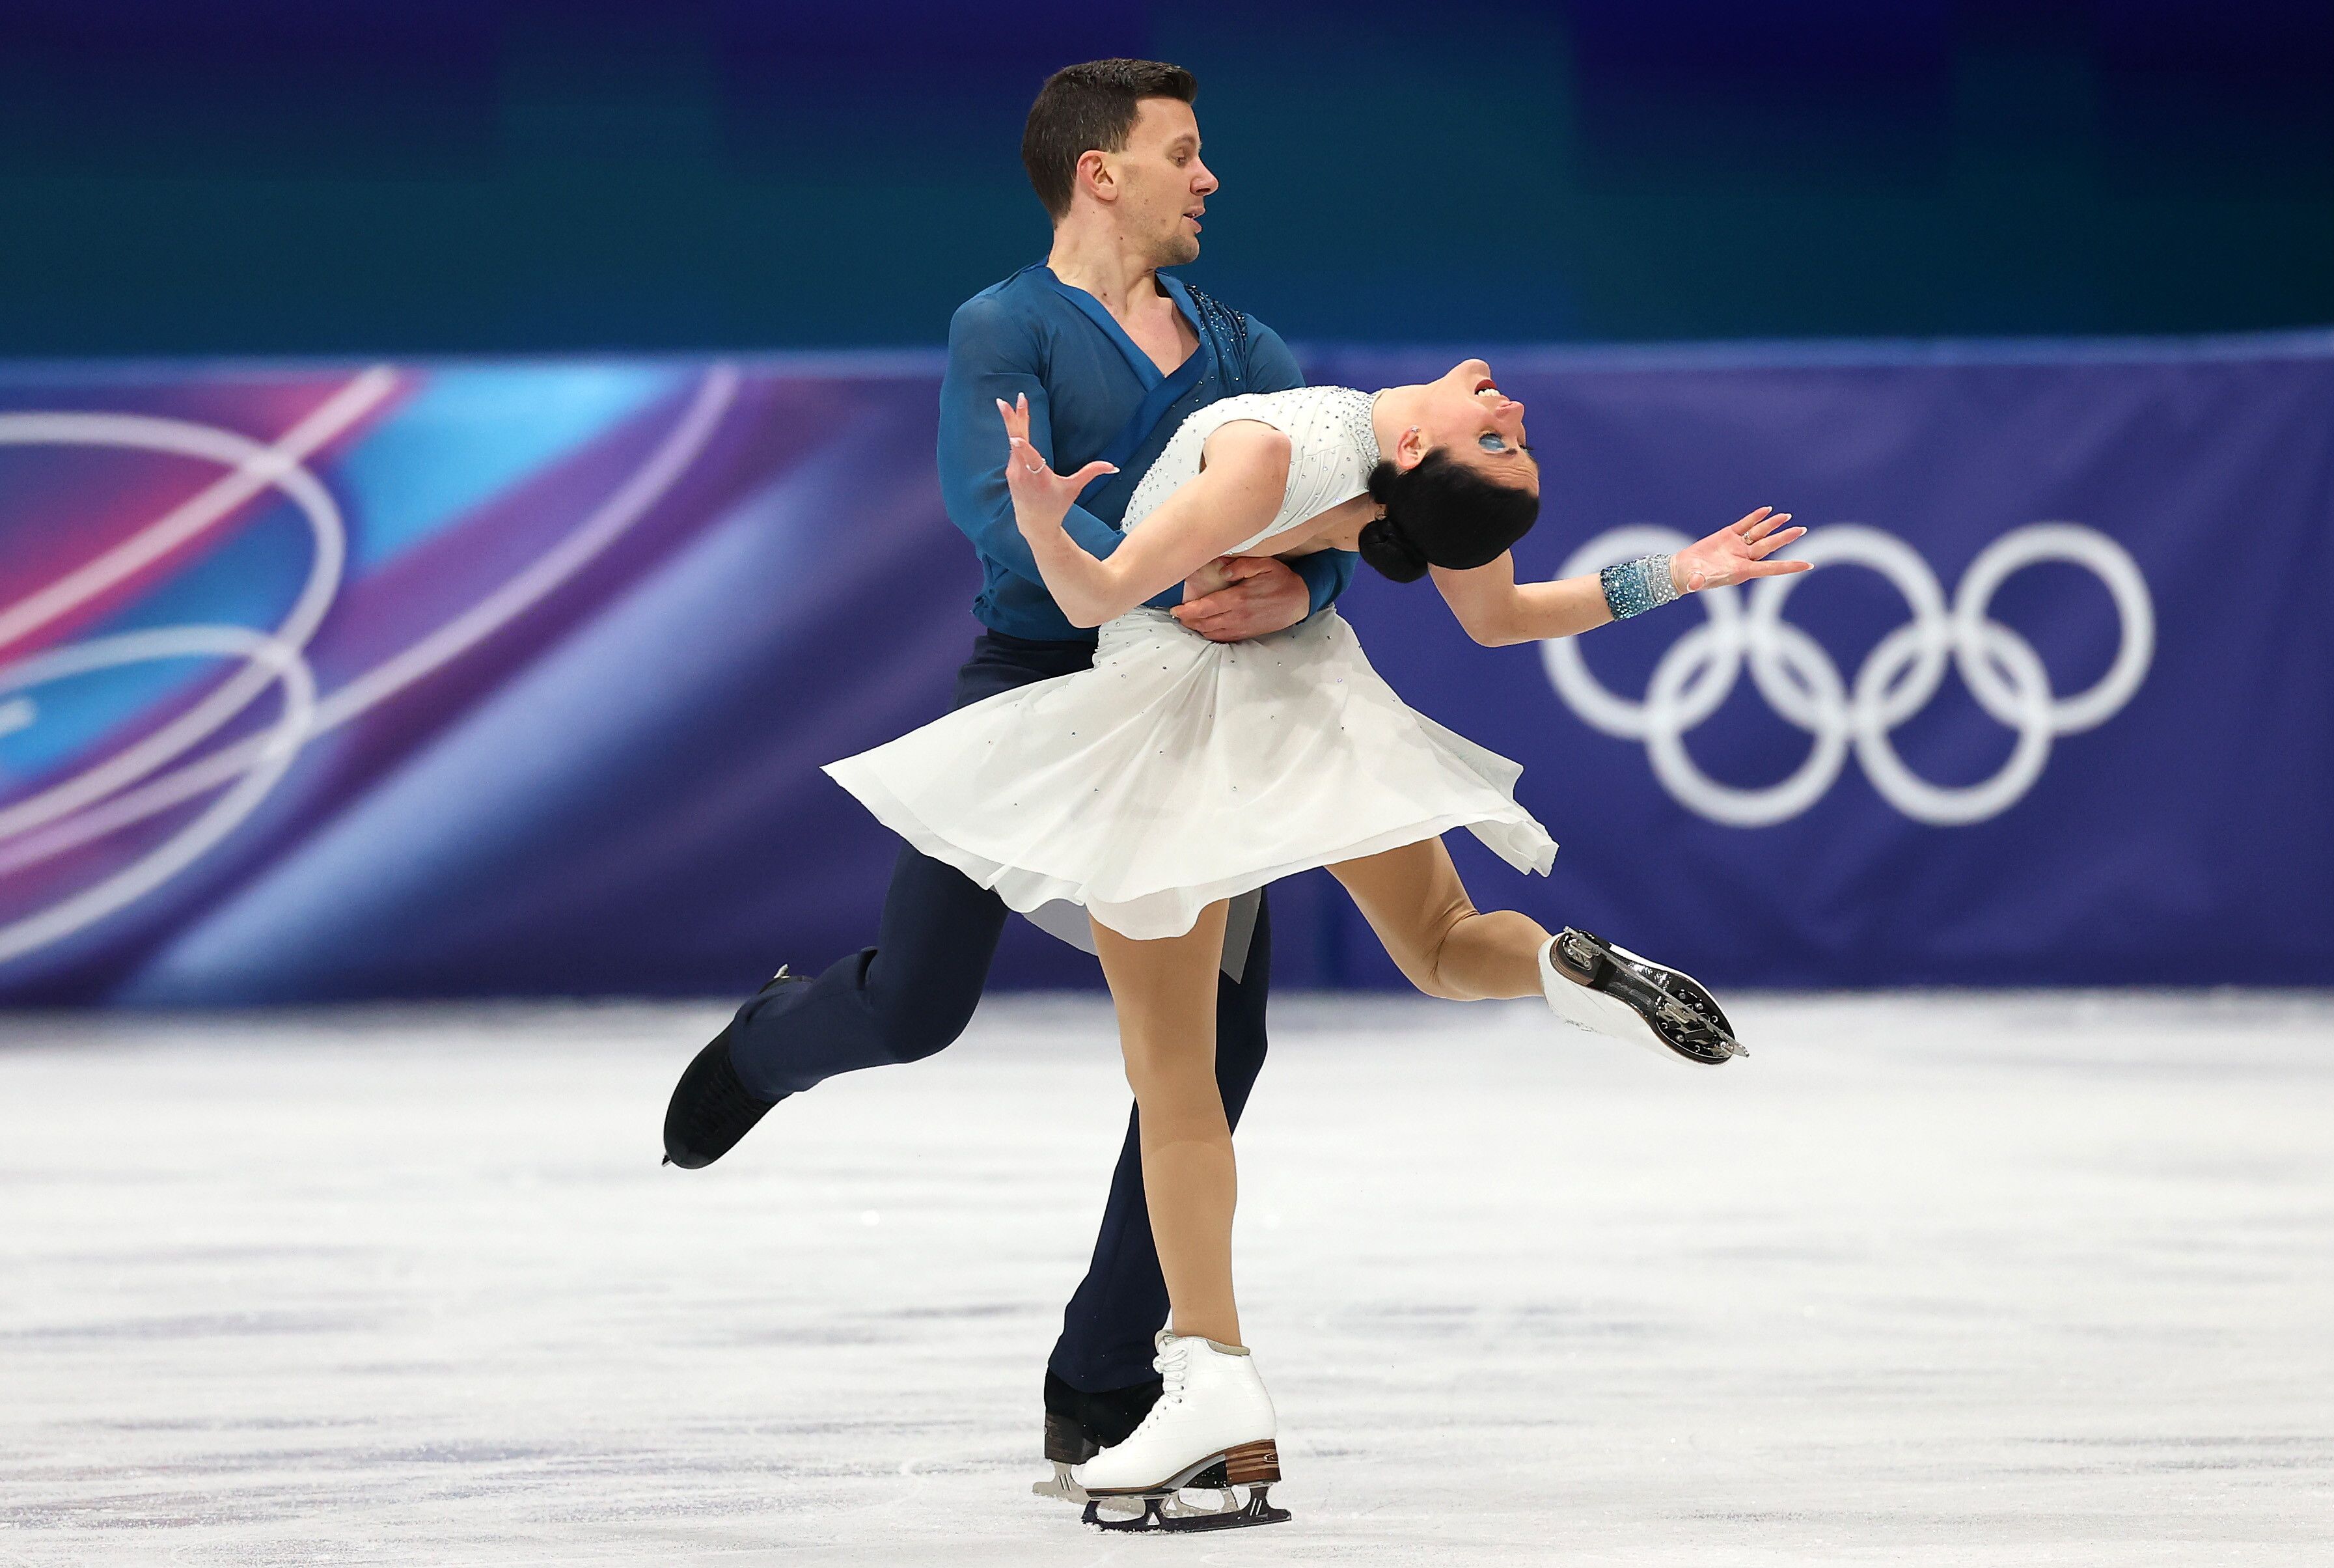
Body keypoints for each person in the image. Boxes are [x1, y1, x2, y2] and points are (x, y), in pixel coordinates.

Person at [821, 366, 1809, 1529]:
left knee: (1176, 1078)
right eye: (1509, 437)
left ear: (1421, 453)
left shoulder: (1273, 457)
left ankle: (1213, 1388)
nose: (1516, 413)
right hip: (1313, 690)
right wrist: (1678, 574)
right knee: (1444, 942)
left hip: (1172, 714)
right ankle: (1555, 966)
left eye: (1500, 438)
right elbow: (1499, 618)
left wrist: (1040, 518)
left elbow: (1096, 597)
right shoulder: (1399, 487)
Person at [659, 59, 1355, 1481]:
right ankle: (771, 1039)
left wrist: (1309, 584)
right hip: (1038, 686)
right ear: (1102, 172)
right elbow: (994, 506)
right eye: (1183, 152)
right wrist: (1161, 579)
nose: (1209, 177)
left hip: (1194, 716)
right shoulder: (1006, 327)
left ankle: (1100, 1375)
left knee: (1216, 1050)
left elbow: (1334, 506)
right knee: (915, 1005)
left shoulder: (1246, 347)